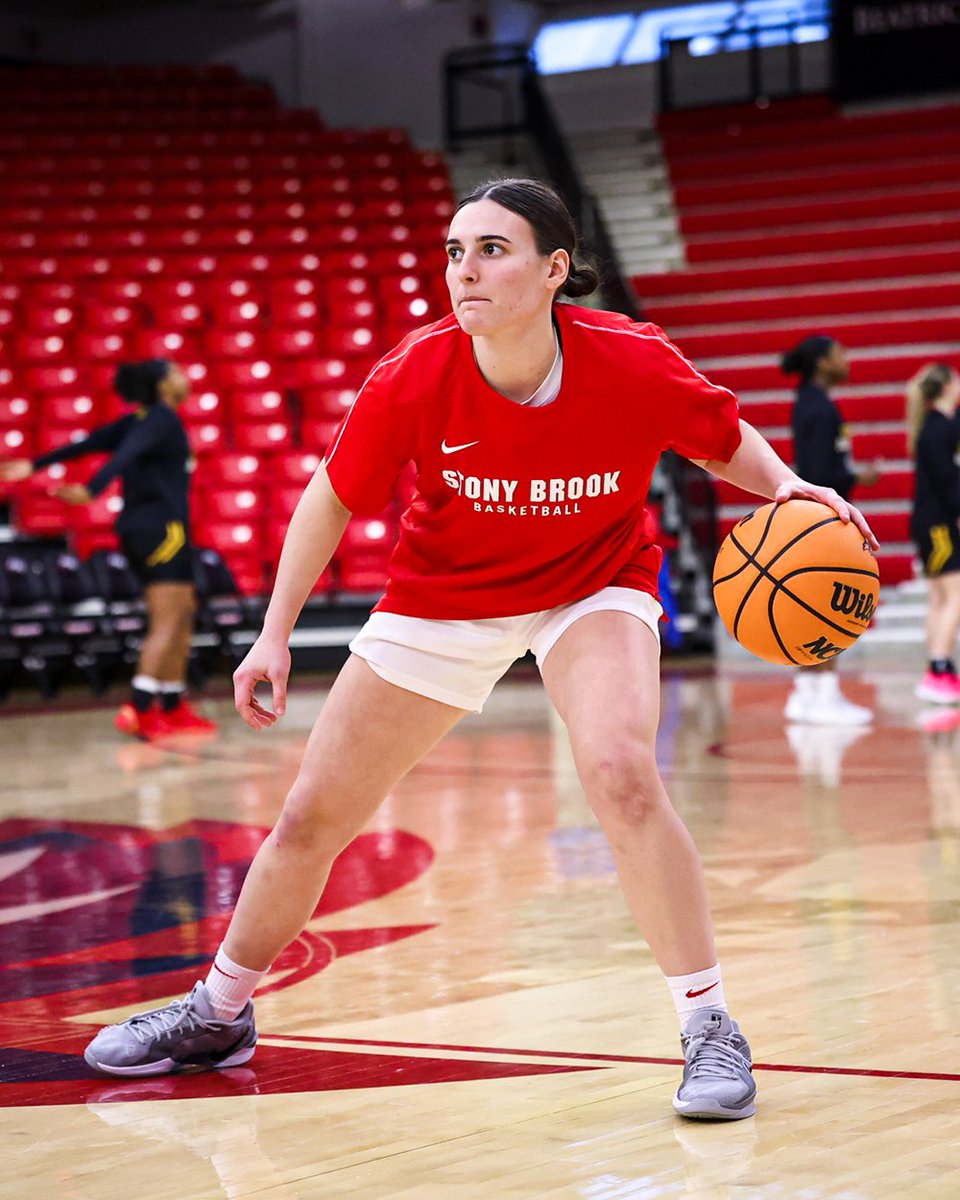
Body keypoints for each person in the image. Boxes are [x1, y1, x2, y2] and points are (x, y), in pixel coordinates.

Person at [80, 179, 877, 1121]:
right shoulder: (415, 371)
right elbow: (330, 497)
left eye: (492, 250)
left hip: (594, 581)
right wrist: (274, 633)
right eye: (456, 251)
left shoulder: (628, 355)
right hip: (445, 596)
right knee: (310, 815)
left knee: (623, 774)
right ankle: (218, 1010)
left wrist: (787, 486)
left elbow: (719, 438)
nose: (465, 270)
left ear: (554, 271)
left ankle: (709, 1025)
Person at [0, 359, 216, 739]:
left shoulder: (142, 418)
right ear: (163, 385)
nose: (186, 378)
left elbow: (89, 443)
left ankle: (172, 704)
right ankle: (139, 705)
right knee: (168, 619)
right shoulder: (161, 419)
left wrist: (35, 464)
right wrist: (93, 489)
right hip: (162, 532)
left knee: (182, 613)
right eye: (177, 373)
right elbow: (124, 455)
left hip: (147, 530)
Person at [781, 335, 881, 725]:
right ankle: (821, 696)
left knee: (816, 604)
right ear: (822, 363)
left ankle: (809, 694)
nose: (847, 359)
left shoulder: (810, 402)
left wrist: (853, 475)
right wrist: (852, 479)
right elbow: (821, 472)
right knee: (827, 604)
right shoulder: (820, 409)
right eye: (841, 353)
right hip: (823, 517)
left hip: (816, 513)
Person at [907, 363, 960, 704]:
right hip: (937, 524)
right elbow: (948, 482)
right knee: (954, 593)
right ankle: (939, 670)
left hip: (930, 521)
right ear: (945, 387)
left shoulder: (935, 427)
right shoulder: (939, 429)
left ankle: (938, 669)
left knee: (940, 597)